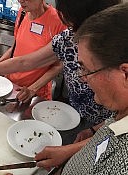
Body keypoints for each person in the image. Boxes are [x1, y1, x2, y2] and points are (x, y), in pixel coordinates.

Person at [0, 0, 120, 142]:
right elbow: (25, 60)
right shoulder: (68, 37)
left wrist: (95, 130)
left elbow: (119, 120)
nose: (82, 77)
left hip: (106, 121)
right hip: (77, 113)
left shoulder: (113, 49)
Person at [36, 3, 128, 174]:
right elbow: (107, 133)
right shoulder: (119, 113)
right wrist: (66, 153)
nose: (82, 78)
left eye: (86, 68)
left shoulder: (122, 165)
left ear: (125, 74)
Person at [0, 0, 66, 101]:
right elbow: (14, 48)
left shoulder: (58, 21)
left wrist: (32, 89)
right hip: (11, 85)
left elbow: (59, 65)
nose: (21, 1)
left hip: (36, 93)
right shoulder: (22, 13)